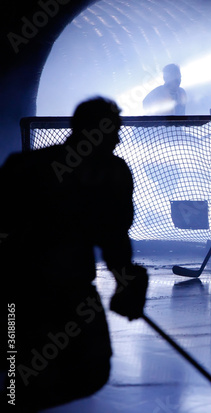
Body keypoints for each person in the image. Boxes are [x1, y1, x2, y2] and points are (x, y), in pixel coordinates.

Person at [0, 97, 148, 411]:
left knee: (80, 369)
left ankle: (17, 403)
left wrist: (125, 280)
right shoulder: (108, 173)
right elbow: (114, 237)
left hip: (45, 289)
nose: (119, 139)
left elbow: (113, 237)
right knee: (31, 372)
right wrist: (125, 280)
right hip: (34, 291)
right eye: (113, 131)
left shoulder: (26, 165)